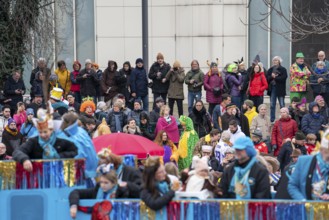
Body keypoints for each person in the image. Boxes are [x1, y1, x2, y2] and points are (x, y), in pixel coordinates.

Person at [13, 109, 77, 172]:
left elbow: (74, 150)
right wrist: (25, 160)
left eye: (45, 132)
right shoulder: (33, 141)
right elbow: (17, 152)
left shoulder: (60, 142)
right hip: (38, 174)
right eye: (40, 132)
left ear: (51, 130)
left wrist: (59, 156)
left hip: (56, 174)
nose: (43, 135)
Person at [288, 129, 329, 200]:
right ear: (321, 149)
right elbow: (292, 186)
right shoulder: (303, 161)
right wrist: (304, 202)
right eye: (326, 151)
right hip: (305, 209)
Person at [59, 112, 98, 185]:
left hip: (80, 175)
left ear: (68, 122)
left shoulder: (69, 135)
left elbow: (78, 155)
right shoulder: (81, 131)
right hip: (91, 171)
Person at [266, 56, 288, 123]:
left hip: (280, 89)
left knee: (282, 104)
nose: (275, 62)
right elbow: (267, 78)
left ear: (279, 61)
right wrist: (271, 77)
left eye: (276, 60)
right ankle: (272, 119)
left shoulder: (283, 69)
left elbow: (284, 78)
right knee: (272, 105)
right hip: (272, 88)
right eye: (274, 60)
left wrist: (275, 78)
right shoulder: (270, 69)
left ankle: (283, 118)